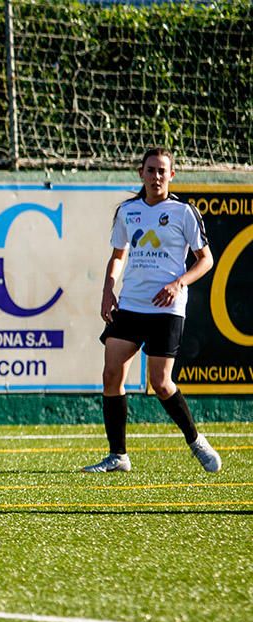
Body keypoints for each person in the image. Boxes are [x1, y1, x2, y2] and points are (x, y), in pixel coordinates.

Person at [82, 147, 221, 473]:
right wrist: (107, 291)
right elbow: (118, 256)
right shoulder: (128, 211)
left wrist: (179, 283)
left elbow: (206, 260)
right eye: (151, 170)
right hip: (130, 304)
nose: (156, 176)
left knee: (160, 382)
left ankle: (195, 440)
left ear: (171, 175)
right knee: (111, 374)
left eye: (162, 171)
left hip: (167, 308)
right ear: (140, 173)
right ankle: (118, 456)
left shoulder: (184, 212)